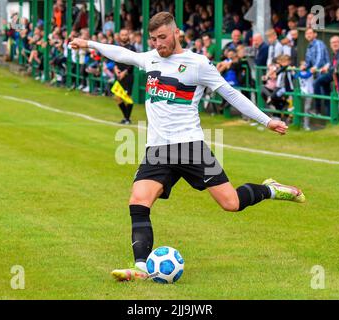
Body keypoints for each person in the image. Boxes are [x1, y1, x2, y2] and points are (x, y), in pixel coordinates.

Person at [70, 12, 305, 282]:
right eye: (153, 39)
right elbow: (122, 54)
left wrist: (267, 120)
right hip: (157, 149)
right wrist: (89, 44)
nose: (158, 44)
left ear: (176, 33)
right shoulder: (150, 58)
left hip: (190, 147)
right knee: (138, 201)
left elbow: (230, 93)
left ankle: (271, 190)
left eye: (163, 37)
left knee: (231, 203)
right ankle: (142, 268)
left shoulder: (197, 63)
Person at [113, 29, 136, 124]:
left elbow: (133, 62)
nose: (124, 36)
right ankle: (126, 118)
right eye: (122, 35)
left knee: (127, 97)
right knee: (117, 97)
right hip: (119, 75)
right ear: (120, 36)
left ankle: (127, 119)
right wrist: (115, 69)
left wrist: (125, 72)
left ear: (128, 36)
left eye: (126, 34)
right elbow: (115, 60)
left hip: (128, 76)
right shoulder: (117, 47)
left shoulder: (132, 48)